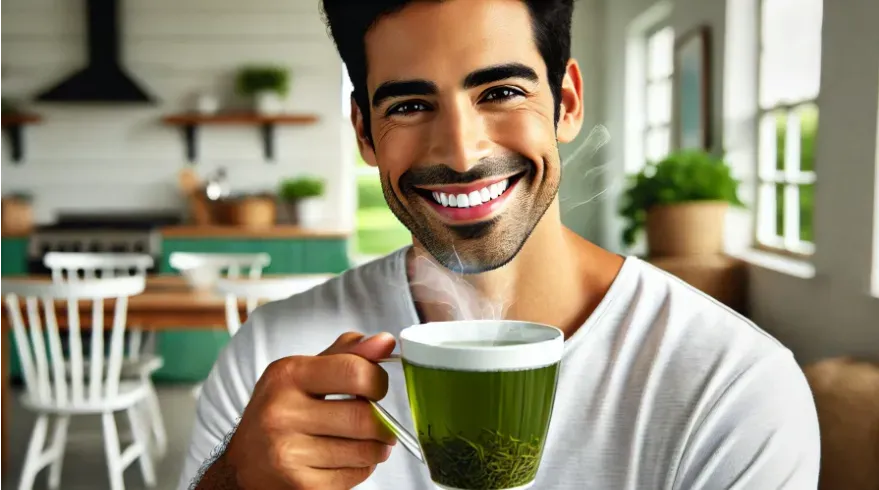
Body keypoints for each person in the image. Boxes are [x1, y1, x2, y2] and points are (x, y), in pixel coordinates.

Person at [179, 0, 820, 488]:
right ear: (365, 134)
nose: (461, 153)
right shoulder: (269, 357)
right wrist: (233, 481)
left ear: (565, 104)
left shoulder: (734, 387)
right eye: (407, 106)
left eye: (502, 92)